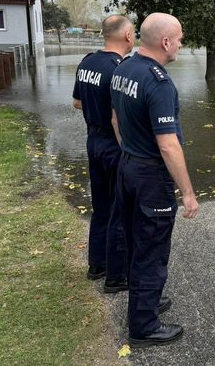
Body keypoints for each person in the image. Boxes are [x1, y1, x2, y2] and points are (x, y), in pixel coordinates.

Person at [110, 12, 199, 348]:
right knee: (151, 248)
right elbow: (168, 143)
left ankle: (143, 302)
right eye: (178, 38)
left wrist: (129, 151)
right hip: (149, 176)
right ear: (165, 42)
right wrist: (187, 192)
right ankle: (144, 326)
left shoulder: (124, 68)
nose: (180, 44)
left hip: (128, 167)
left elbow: (115, 117)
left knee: (134, 239)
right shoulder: (158, 82)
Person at [72, 14, 134, 282]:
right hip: (113, 144)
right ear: (127, 36)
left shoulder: (87, 62)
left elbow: (76, 103)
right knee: (120, 209)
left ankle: (97, 265)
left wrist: (94, 109)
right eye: (134, 32)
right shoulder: (119, 69)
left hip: (93, 141)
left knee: (101, 206)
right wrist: (129, 152)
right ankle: (117, 276)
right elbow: (115, 116)